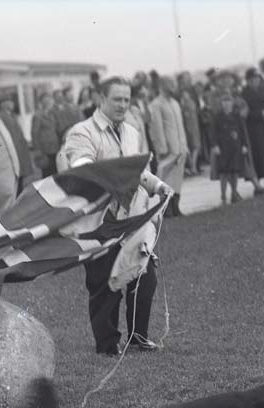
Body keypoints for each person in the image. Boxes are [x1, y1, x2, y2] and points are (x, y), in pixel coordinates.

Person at [57, 76, 174, 356]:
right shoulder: (82, 132)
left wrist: (157, 185)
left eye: (126, 99)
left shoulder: (132, 131)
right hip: (99, 223)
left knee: (145, 278)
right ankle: (107, 345)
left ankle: (137, 336)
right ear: (101, 99)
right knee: (103, 285)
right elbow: (81, 166)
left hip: (132, 218)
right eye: (117, 99)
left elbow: (137, 172)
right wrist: (104, 175)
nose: (123, 104)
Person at [147, 80, 188, 214]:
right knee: (166, 177)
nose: (173, 88)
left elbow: (180, 125)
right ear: (163, 87)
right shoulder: (156, 104)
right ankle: (166, 208)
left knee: (177, 178)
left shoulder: (175, 103)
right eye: (170, 85)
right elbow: (157, 127)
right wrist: (162, 147)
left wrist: (184, 144)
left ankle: (176, 206)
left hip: (179, 146)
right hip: (168, 148)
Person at [209, 90, 249, 204]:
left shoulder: (237, 116)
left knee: (234, 171)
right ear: (221, 103)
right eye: (224, 101)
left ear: (232, 103)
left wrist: (244, 145)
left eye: (229, 101)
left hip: (235, 146)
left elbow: (242, 131)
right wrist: (215, 145)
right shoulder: (217, 117)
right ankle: (223, 195)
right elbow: (213, 132)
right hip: (222, 148)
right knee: (223, 172)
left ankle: (234, 193)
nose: (226, 104)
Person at [241, 68, 264, 192]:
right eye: (253, 79)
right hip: (253, 129)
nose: (256, 81)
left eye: (257, 79)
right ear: (248, 80)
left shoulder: (263, 91)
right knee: (257, 155)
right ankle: (258, 185)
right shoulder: (245, 94)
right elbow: (245, 112)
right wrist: (261, 114)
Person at [30, 93, 61, 178]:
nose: (51, 103)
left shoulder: (52, 114)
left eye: (51, 100)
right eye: (48, 101)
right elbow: (34, 133)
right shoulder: (37, 116)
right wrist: (37, 150)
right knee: (47, 173)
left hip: (54, 147)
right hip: (45, 150)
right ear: (43, 103)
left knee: (55, 171)